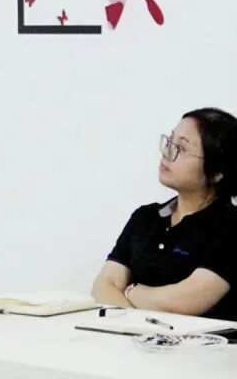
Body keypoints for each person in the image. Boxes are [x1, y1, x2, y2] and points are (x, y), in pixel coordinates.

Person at [91, 108, 237, 320]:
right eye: (169, 141)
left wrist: (131, 291)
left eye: (181, 148)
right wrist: (139, 327)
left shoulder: (230, 226)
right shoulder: (145, 217)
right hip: (135, 338)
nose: (166, 152)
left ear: (216, 172)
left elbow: (188, 300)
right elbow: (104, 286)